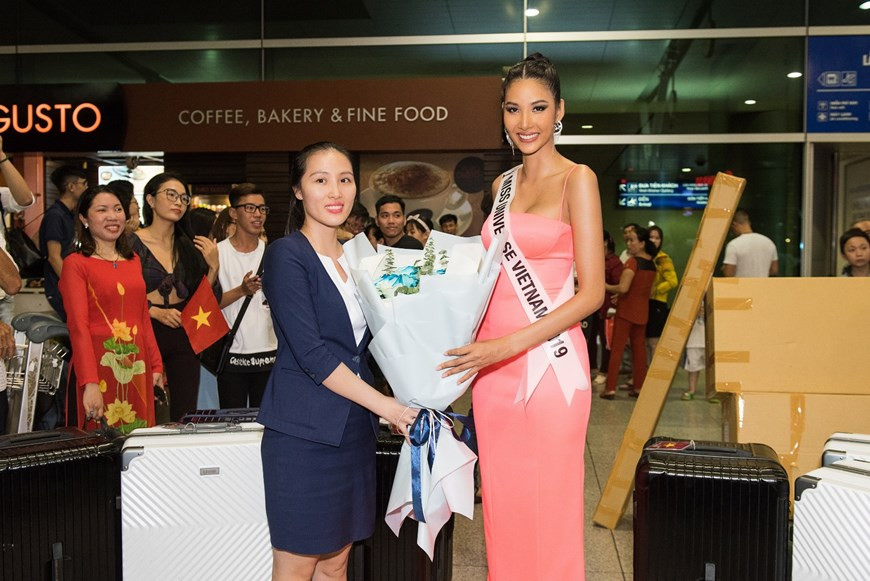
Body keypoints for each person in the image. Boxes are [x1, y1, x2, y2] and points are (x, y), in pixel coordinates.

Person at [439, 54, 604, 580]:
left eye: (537, 108)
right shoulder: (501, 187)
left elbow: (592, 293)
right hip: (492, 373)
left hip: (549, 367)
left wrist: (506, 346)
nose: (524, 122)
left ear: (560, 110)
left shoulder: (578, 179)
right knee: (505, 512)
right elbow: (489, 275)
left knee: (549, 513)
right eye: (513, 110)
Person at [258, 142, 418, 580]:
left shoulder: (359, 256)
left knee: (337, 561)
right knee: (296, 563)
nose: (335, 191)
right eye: (320, 179)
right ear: (297, 190)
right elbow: (312, 353)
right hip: (303, 434)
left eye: (344, 179)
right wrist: (389, 408)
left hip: (353, 431)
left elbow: (377, 342)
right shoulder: (286, 255)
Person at [58, 185, 164, 430]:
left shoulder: (133, 260)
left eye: (117, 209)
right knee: (98, 450)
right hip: (97, 367)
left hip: (136, 366)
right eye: (102, 210)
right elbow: (78, 327)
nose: (112, 216)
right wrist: (90, 383)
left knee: (138, 446)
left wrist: (156, 365)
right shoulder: (75, 264)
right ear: (84, 218)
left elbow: (142, 319)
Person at [132, 172, 219, 421]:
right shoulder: (131, 243)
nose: (178, 202)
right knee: (143, 405)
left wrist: (213, 268)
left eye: (183, 197)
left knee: (185, 411)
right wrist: (152, 310)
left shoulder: (190, 246)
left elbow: (202, 301)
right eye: (171, 195)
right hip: (145, 330)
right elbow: (121, 292)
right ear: (150, 199)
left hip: (183, 332)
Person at [216, 183, 276, 408]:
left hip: (269, 354)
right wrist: (242, 291)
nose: (258, 214)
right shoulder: (217, 254)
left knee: (266, 425)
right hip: (231, 355)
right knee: (232, 424)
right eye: (250, 208)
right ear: (233, 213)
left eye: (262, 209)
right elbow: (208, 306)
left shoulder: (273, 253)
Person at [600, 226, 657, 399]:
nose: (629, 244)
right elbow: (650, 291)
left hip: (625, 311)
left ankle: (610, 388)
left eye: (632, 240)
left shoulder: (632, 262)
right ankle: (639, 386)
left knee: (617, 349)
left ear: (642, 243)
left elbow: (623, 288)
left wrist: (604, 286)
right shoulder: (652, 264)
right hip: (642, 311)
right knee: (639, 350)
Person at [40, 165, 88, 320]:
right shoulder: (55, 215)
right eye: (84, 183)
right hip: (60, 287)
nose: (87, 188)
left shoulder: (68, 214)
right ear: (71, 187)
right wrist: (73, 284)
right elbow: (54, 257)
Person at [592, 230, 624, 386]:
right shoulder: (593, 258)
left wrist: (603, 286)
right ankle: (592, 368)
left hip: (607, 307)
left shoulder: (614, 262)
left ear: (605, 242)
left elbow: (620, 286)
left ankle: (604, 371)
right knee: (591, 339)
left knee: (606, 341)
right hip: (591, 306)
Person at [646, 225, 678, 360]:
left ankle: (653, 376)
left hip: (658, 303)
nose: (654, 240)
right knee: (642, 341)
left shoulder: (663, 259)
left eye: (657, 238)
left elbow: (673, 281)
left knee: (654, 342)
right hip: (643, 302)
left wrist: (655, 290)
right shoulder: (645, 257)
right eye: (651, 237)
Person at [722, 208, 778, 277]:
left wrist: (724, 268)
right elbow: (774, 270)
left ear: (734, 224)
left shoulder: (734, 244)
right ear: (749, 223)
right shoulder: (769, 242)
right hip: (763, 286)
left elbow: (729, 273)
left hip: (742, 287)